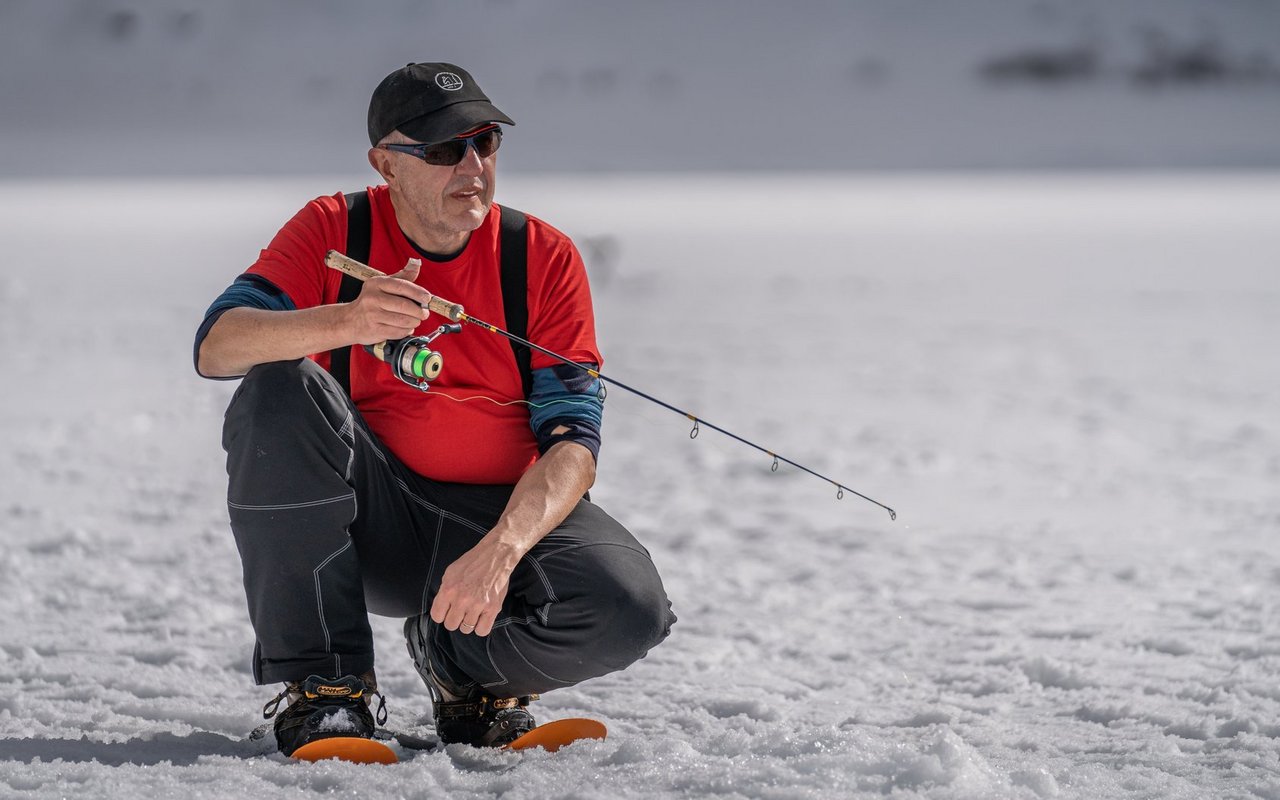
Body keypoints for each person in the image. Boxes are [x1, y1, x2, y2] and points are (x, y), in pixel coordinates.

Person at [194, 62, 675, 756]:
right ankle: (328, 691)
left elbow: (573, 443)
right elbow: (217, 347)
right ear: (385, 163)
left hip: (489, 520)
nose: (473, 165)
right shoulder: (334, 229)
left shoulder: (541, 256)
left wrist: (504, 549)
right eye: (446, 149)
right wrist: (348, 323)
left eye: (486, 142)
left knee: (628, 610)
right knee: (277, 389)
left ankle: (462, 673)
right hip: (367, 526)